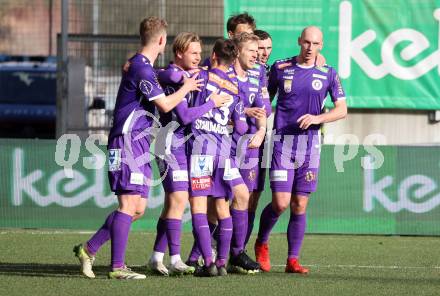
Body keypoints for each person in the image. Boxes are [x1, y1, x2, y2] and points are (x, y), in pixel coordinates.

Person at [73, 16, 203, 280]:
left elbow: (158, 75)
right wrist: (188, 86)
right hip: (126, 140)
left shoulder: (140, 65)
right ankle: (117, 267)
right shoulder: (142, 68)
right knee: (128, 204)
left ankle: (88, 249)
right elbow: (165, 105)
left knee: (138, 208)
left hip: (140, 143)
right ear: (162, 40)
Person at [254, 26, 347, 274]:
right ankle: (261, 243)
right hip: (283, 144)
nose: (310, 48)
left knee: (299, 205)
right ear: (299, 41)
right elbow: (264, 99)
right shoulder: (281, 68)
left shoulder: (328, 73)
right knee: (281, 203)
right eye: (306, 42)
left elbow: (342, 109)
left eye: (315, 44)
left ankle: (292, 260)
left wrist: (318, 119)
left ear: (321, 45)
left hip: (310, 148)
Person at [147, 32, 230, 276]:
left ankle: (157, 257)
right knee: (179, 200)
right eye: (193, 53)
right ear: (179, 53)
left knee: (172, 204)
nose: (198, 57)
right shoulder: (174, 75)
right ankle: (174, 258)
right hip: (167, 142)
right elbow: (184, 116)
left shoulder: (187, 75)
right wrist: (211, 104)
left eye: (199, 52)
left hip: (182, 145)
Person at [186, 38, 256, 276]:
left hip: (202, 152)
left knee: (198, 207)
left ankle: (207, 262)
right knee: (222, 208)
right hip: (225, 153)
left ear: (213, 56)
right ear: (232, 59)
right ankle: (222, 262)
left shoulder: (201, 77)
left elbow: (185, 110)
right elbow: (241, 128)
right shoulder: (236, 88)